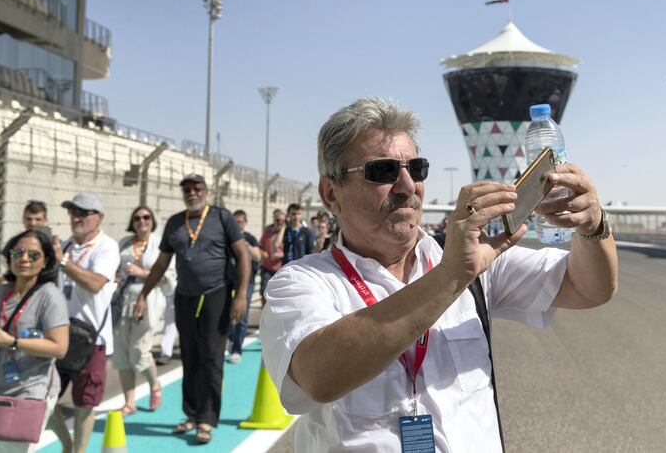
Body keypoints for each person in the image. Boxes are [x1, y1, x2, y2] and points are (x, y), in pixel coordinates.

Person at [260, 98, 618, 452]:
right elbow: (319, 376)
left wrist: (593, 225)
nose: (407, 185)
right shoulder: (302, 282)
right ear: (330, 193)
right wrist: (449, 278)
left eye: (416, 169)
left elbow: (589, 288)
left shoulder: (474, 261)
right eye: (382, 171)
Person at [133, 174, 250, 445]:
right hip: (184, 296)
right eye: (187, 189)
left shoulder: (222, 218)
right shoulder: (175, 222)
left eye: (197, 188)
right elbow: (162, 263)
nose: (192, 193)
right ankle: (190, 413)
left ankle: (206, 419)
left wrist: (241, 294)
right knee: (190, 356)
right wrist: (143, 293)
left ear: (206, 191)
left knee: (211, 356)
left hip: (216, 293)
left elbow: (243, 254)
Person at [49, 193, 120, 453]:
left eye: (83, 212)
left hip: (91, 340)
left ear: (99, 218)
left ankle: (78, 451)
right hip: (59, 335)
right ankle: (67, 445)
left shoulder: (107, 247)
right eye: (72, 212)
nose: (76, 217)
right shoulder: (65, 246)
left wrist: (63, 262)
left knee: (84, 403)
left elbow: (94, 283)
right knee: (43, 398)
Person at [0, 230, 69, 453]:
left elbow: (59, 347)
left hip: (30, 389)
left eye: (33, 255)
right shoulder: (1, 291)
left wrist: (12, 342)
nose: (24, 259)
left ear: (46, 260)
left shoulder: (49, 296)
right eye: (17, 252)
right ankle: (68, 444)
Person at [112, 206, 176, 416]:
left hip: (148, 298)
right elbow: (114, 269)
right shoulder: (124, 243)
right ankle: (129, 402)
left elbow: (168, 276)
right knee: (121, 352)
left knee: (139, 349)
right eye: (137, 218)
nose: (142, 221)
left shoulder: (160, 244)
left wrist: (143, 272)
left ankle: (154, 384)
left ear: (152, 220)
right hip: (122, 300)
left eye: (146, 217)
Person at [227, 210, 261, 364]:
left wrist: (245, 245)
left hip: (246, 282)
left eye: (240, 222)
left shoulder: (249, 238)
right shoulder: (226, 237)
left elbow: (258, 256)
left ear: (245, 223)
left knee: (242, 316)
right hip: (227, 281)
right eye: (234, 222)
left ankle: (236, 348)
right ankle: (230, 337)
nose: (237, 224)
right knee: (224, 314)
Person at [258, 209, 285, 303]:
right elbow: (260, 245)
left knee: (279, 296)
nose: (280, 223)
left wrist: (282, 255)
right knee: (264, 293)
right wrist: (262, 252)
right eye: (277, 220)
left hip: (280, 268)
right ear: (273, 219)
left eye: (282, 220)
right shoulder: (267, 232)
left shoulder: (286, 233)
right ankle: (263, 314)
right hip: (267, 267)